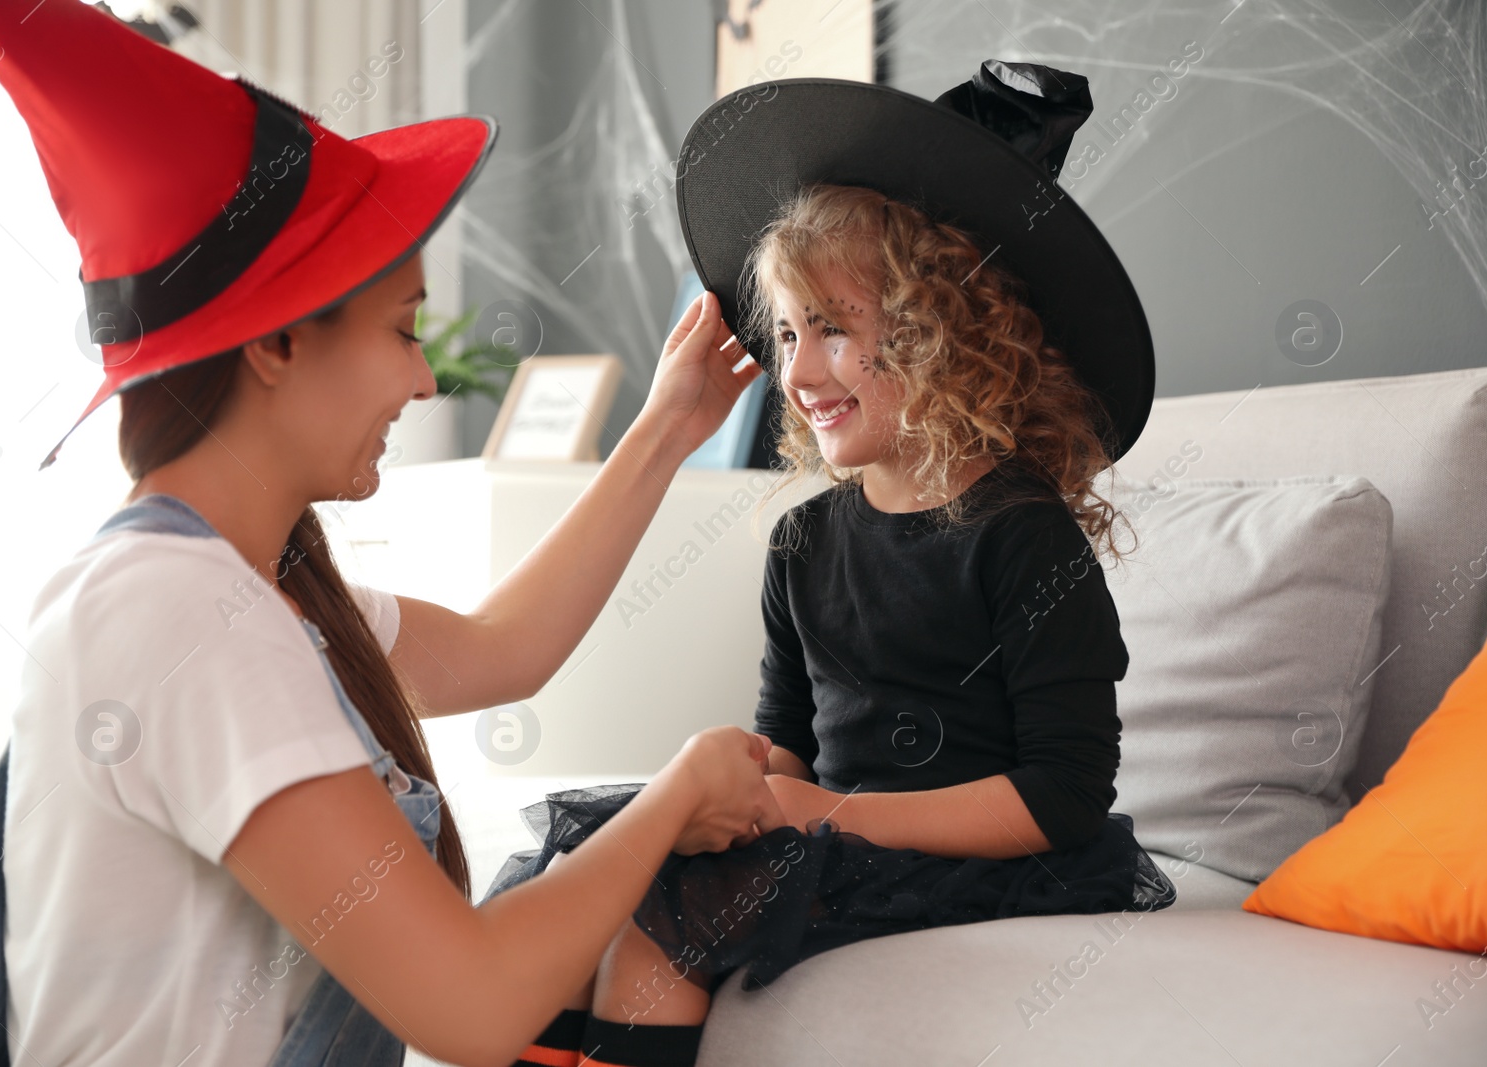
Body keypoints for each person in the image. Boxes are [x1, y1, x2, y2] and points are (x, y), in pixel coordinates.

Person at [0, 2, 782, 1066]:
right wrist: (675, 795)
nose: (426, 376)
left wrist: (669, 422)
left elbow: (501, 647)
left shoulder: (244, 585)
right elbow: (471, 1006)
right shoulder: (189, 611)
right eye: (401, 327)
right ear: (278, 342)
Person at [482, 63, 1176, 1067]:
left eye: (835, 331)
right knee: (571, 903)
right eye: (790, 333)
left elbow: (1062, 795)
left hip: (972, 862)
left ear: (948, 335)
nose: (796, 374)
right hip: (832, 836)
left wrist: (831, 811)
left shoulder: (1022, 537)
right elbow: (793, 738)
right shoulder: (804, 542)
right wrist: (753, 783)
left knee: (654, 945)